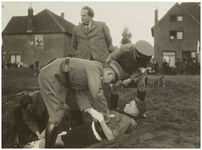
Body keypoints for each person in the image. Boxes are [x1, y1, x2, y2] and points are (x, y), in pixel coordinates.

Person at [38, 57, 114, 148]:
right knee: (57, 115)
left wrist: (93, 112)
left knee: (74, 105)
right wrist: (104, 110)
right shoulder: (95, 68)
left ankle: (78, 128)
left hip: (63, 81)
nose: (108, 84)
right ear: (109, 74)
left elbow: (80, 94)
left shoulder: (94, 72)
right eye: (111, 81)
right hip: (50, 76)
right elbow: (97, 92)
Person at [24, 98, 145, 148]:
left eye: (130, 104)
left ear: (134, 111)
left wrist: (101, 120)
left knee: (57, 141)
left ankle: (32, 147)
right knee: (61, 136)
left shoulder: (128, 121)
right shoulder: (123, 114)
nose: (126, 104)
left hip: (91, 134)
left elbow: (111, 137)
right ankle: (37, 144)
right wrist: (100, 118)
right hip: (89, 128)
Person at [105, 40, 154, 111]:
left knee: (142, 83)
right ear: (135, 53)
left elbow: (141, 70)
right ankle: (113, 108)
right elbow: (109, 60)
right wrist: (110, 75)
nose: (137, 62)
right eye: (137, 59)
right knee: (114, 86)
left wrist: (129, 80)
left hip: (136, 71)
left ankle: (139, 109)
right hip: (121, 68)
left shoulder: (146, 57)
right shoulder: (124, 49)